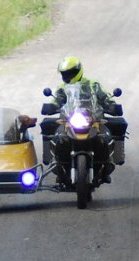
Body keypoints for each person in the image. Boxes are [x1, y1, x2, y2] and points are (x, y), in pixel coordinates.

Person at [50, 56, 117, 185]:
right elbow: (56, 100)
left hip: (92, 120)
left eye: (70, 73)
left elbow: (105, 97)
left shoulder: (93, 85)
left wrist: (111, 105)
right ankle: (58, 164)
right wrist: (51, 106)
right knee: (58, 137)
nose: (67, 76)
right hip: (69, 122)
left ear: (78, 71)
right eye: (65, 73)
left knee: (105, 136)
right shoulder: (62, 87)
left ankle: (106, 165)